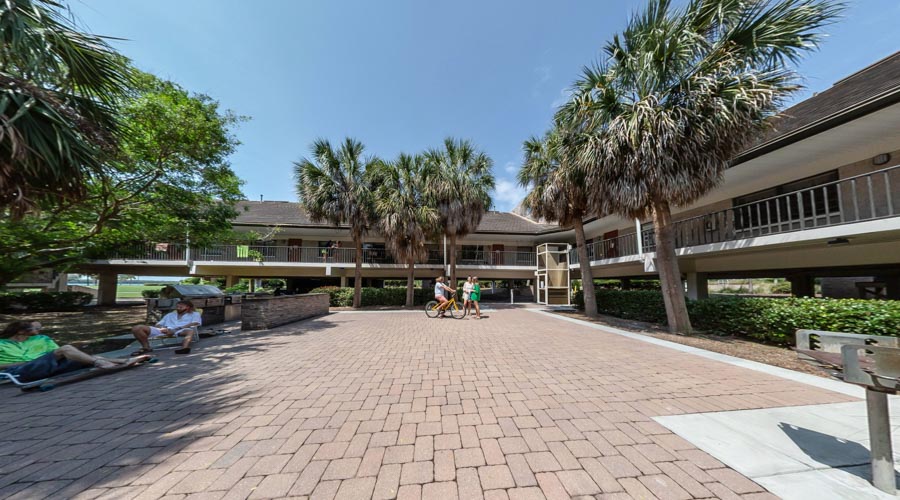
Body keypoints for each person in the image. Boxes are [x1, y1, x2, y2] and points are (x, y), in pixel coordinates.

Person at [0, 321, 146, 383]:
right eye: (32, 330)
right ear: (19, 332)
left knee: (75, 356)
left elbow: (56, 353)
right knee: (66, 348)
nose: (37, 332)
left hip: (48, 364)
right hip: (22, 370)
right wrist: (27, 362)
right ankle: (102, 362)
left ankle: (123, 361)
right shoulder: (2, 344)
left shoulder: (41, 339)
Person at [131, 300, 202, 355]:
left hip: (181, 329)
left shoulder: (194, 314)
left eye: (180, 307)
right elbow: (159, 324)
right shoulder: (170, 315)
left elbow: (195, 323)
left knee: (190, 331)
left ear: (187, 307)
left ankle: (185, 348)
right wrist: (161, 328)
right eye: (177, 307)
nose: (178, 308)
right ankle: (146, 347)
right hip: (165, 329)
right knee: (137, 328)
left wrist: (178, 328)